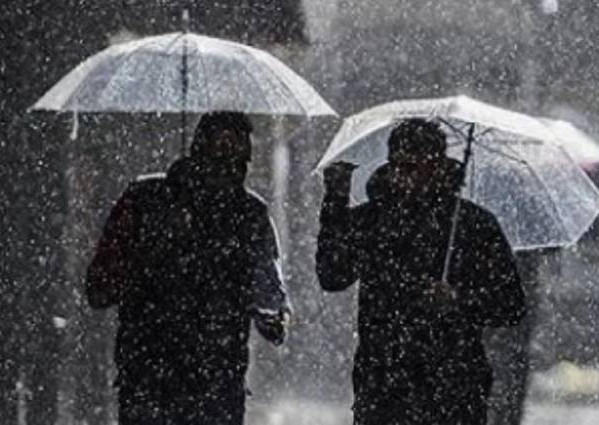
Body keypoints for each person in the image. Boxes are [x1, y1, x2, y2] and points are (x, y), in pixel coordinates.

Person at [317, 118, 526, 425]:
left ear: (438, 167)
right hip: (383, 386)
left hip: (454, 388)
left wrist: (457, 299)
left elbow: (511, 305)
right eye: (398, 166)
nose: (402, 177)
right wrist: (334, 202)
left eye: (413, 167)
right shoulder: (373, 221)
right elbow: (332, 275)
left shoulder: (470, 225)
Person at [86, 111, 290, 425]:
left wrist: (271, 316)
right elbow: (99, 288)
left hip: (217, 387)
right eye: (220, 145)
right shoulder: (144, 200)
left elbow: (271, 302)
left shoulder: (250, 215)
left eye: (238, 149)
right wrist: (158, 245)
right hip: (150, 380)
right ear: (199, 146)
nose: (229, 159)